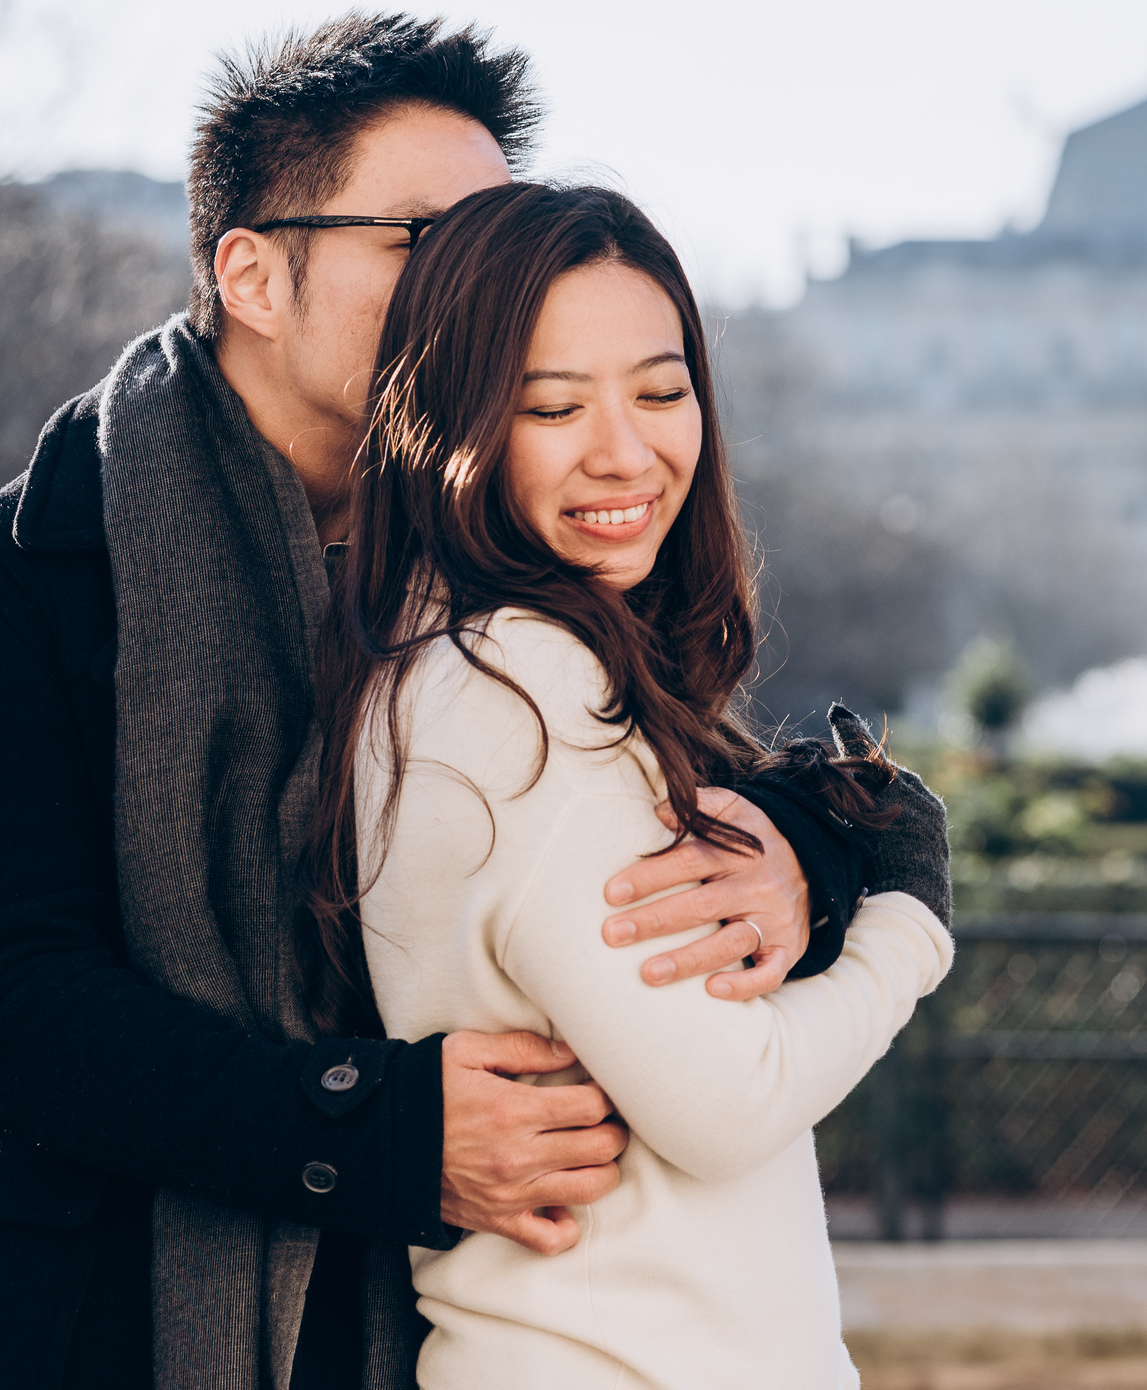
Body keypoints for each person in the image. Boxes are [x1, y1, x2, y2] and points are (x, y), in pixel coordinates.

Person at [0, 12, 948, 1389]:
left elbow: (645, 785)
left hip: (377, 1325)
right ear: (252, 272)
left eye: (500, 236)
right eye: (428, 243)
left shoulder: (499, 561)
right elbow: (9, 1008)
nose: (489, 285)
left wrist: (820, 858)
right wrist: (385, 1130)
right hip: (80, 1313)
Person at [311, 179, 951, 1387]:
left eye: (662, 391)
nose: (626, 449)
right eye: (552, 406)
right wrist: (907, 920)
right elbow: (727, 1103)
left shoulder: (444, 664)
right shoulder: (524, 690)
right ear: (453, 422)